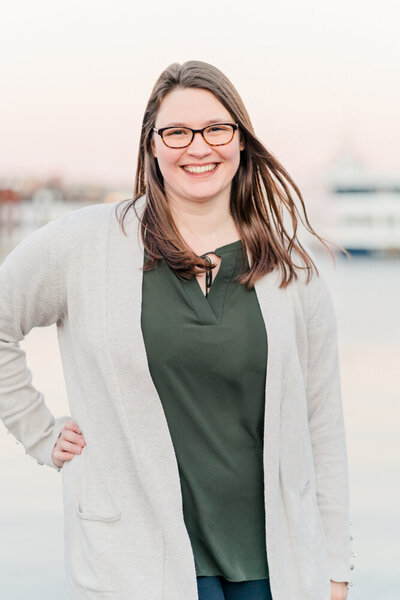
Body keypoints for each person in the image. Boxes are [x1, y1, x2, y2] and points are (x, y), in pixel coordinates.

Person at [0, 60, 355, 600]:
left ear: (240, 141)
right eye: (177, 132)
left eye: (217, 128)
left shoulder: (291, 274)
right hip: (135, 566)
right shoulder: (85, 245)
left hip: (275, 567)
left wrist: (336, 566)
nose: (198, 147)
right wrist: (40, 433)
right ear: (153, 146)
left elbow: (322, 426)